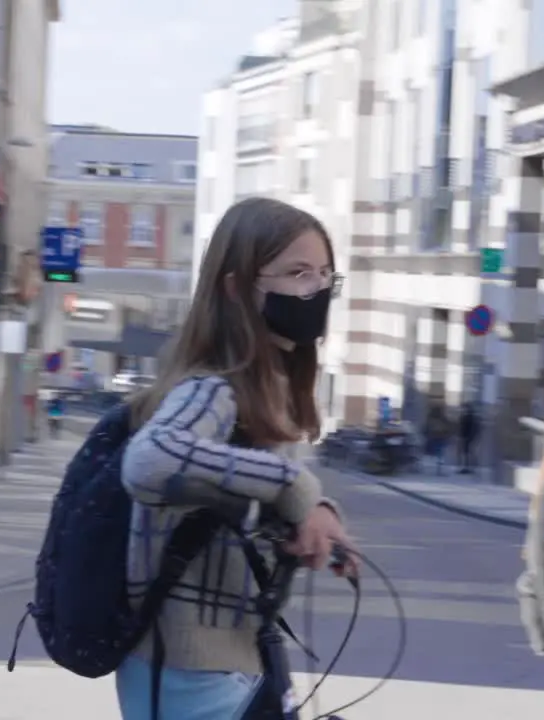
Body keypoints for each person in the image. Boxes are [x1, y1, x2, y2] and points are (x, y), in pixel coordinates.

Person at [115, 197, 359, 720]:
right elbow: (149, 459)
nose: (314, 290)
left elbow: (232, 494)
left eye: (324, 276)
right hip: (186, 668)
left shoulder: (265, 384)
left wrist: (313, 517)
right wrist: (294, 488)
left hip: (232, 657)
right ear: (236, 287)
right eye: (297, 273)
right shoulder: (213, 388)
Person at [423, 401, 452, 475]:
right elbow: (448, 426)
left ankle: (437, 468)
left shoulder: (431, 417)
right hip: (440, 436)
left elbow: (427, 426)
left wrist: (427, 434)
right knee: (440, 453)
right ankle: (439, 469)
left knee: (437, 453)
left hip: (435, 436)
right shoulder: (442, 418)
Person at [457, 401, 478, 473]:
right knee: (466, 453)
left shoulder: (468, 417)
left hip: (467, 437)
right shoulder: (470, 417)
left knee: (466, 453)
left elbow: (464, 427)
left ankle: (466, 467)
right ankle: (467, 467)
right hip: (468, 437)